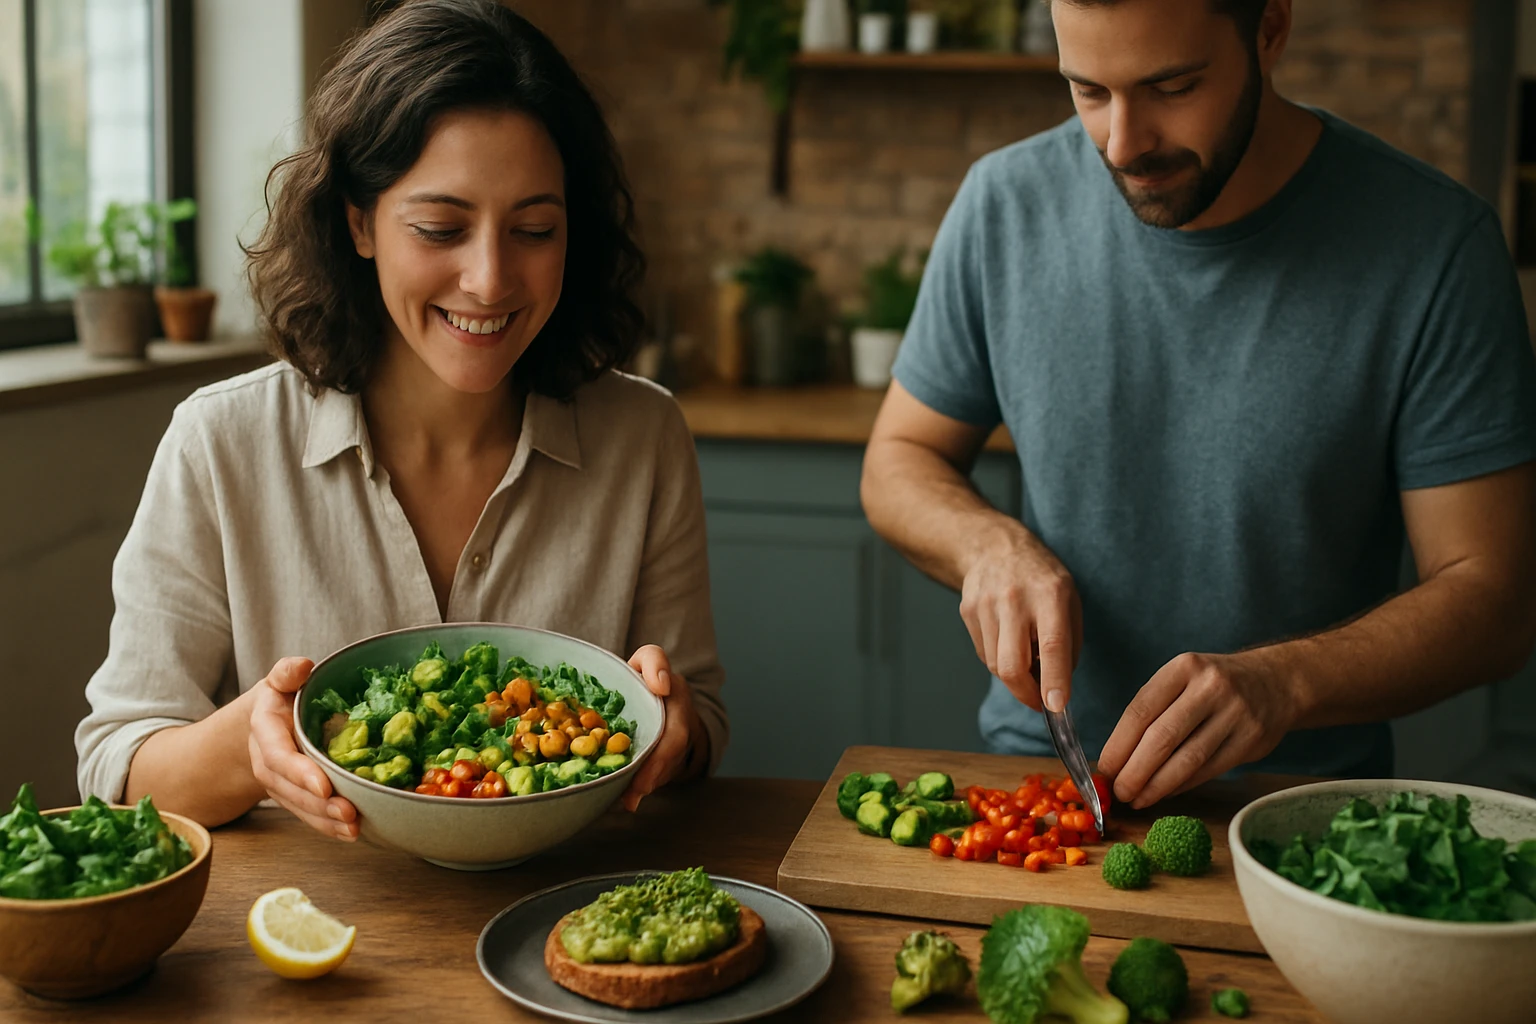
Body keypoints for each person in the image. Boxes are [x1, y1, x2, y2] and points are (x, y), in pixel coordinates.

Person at [75, 0, 727, 839]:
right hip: (315, 935)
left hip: (564, 913)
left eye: (534, 229)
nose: (491, 279)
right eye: (441, 228)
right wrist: (256, 743)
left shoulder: (645, 437)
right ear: (359, 221)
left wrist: (675, 730)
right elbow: (117, 770)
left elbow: (701, 717)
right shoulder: (220, 443)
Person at [860, 0, 1536, 809]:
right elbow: (899, 459)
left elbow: (1495, 598)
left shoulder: (1436, 247)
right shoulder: (1002, 205)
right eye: (1088, 91)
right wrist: (987, 546)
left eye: (1172, 86)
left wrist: (1285, 682)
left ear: (1271, 29)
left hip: (1305, 815)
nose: (1122, 144)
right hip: (1043, 790)